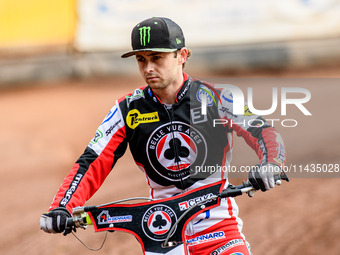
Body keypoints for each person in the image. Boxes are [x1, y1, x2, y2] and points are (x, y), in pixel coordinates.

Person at [40, 17, 286, 255]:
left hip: (219, 230)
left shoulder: (215, 98)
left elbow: (262, 131)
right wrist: (62, 206)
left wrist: (272, 164)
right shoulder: (127, 109)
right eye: (141, 59)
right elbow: (93, 160)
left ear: (182, 55)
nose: (148, 68)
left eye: (157, 58)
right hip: (161, 233)